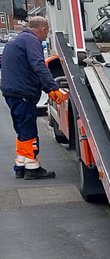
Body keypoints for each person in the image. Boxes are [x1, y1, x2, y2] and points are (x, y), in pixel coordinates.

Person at [0, 16, 66, 180]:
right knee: (29, 130)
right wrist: (53, 87)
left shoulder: (16, 41)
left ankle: (20, 166)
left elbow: (28, 71)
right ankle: (32, 168)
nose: (46, 36)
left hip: (12, 92)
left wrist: (46, 87)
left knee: (22, 130)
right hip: (23, 94)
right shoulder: (31, 41)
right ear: (43, 30)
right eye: (47, 32)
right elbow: (38, 65)